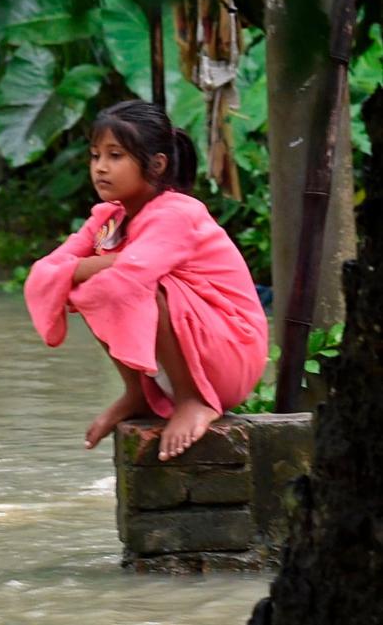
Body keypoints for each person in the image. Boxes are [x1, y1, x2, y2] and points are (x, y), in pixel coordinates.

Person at [23, 100, 268, 462]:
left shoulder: (177, 212)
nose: (100, 168)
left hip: (230, 353)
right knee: (92, 285)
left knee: (129, 285)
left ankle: (192, 400)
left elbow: (132, 275)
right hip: (190, 349)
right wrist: (99, 264)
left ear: (156, 164)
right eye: (95, 156)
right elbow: (43, 274)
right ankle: (137, 392)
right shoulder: (109, 218)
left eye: (115, 155)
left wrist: (91, 266)